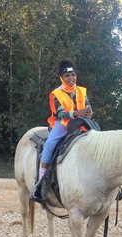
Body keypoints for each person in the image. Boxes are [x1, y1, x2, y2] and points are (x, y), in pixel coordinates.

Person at [32, 60, 93, 200]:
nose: (71, 78)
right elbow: (60, 113)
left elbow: (88, 107)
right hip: (62, 125)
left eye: (73, 74)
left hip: (82, 123)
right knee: (49, 145)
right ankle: (41, 183)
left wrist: (89, 113)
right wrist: (77, 113)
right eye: (67, 75)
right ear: (61, 77)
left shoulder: (82, 91)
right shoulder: (56, 94)